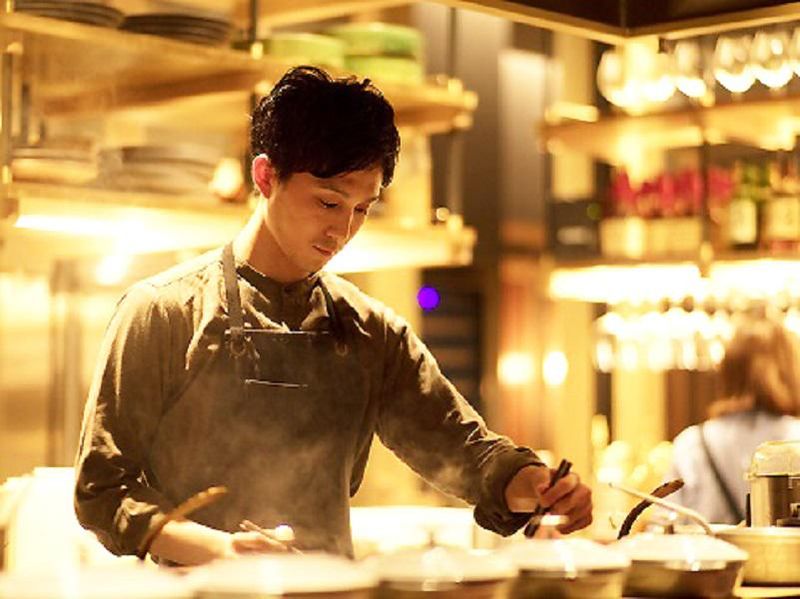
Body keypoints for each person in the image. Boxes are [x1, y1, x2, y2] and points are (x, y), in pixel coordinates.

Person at [74, 66, 592, 566]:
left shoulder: (371, 332)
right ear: (266, 176)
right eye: (328, 203)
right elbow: (103, 489)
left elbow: (464, 451)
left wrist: (532, 484)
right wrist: (220, 550)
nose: (342, 231)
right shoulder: (163, 312)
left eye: (362, 209)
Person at [666, 315, 800, 524]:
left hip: (708, 546)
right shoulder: (796, 438)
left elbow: (665, 523)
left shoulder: (692, 443)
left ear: (727, 371)